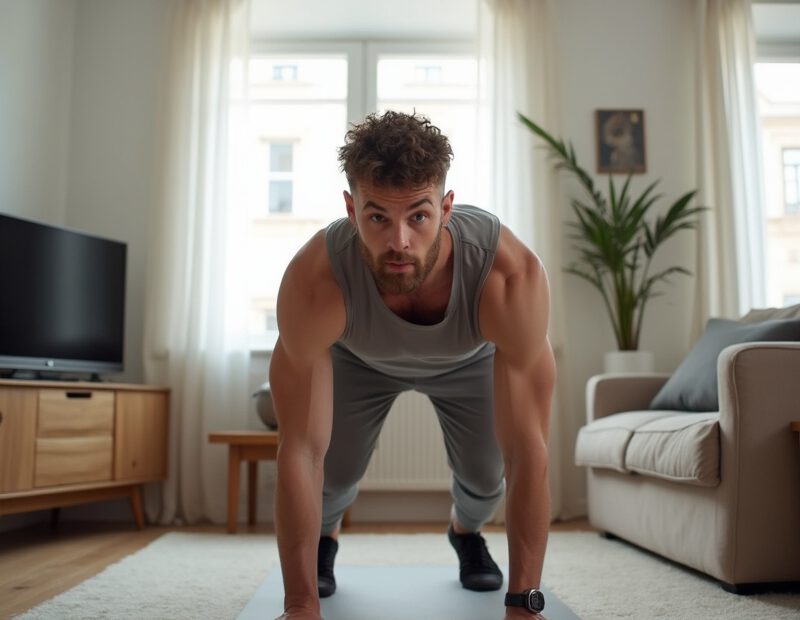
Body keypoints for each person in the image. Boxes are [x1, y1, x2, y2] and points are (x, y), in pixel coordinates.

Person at [270, 110, 555, 620]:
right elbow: (300, 451)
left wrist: (524, 607)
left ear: (447, 208)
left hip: (471, 361)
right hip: (356, 360)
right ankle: (326, 538)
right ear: (351, 209)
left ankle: (464, 532)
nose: (399, 241)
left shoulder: (507, 276)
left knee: (488, 478)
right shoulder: (317, 281)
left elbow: (529, 452)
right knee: (332, 474)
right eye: (377, 217)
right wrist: (298, 608)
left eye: (418, 216)